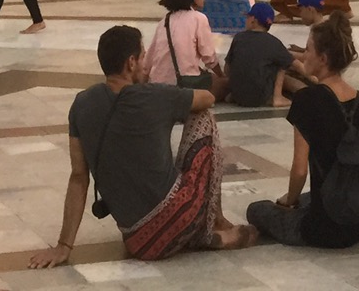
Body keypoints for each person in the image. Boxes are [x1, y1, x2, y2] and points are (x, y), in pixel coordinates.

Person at [28, 23, 254, 268]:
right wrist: (173, 106)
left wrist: (64, 245)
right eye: (144, 57)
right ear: (131, 62)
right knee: (202, 116)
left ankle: (197, 235)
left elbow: (78, 177)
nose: (146, 65)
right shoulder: (155, 96)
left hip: (139, 242)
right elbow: (207, 99)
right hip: (180, 217)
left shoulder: (81, 103)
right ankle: (213, 222)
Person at [247, 10, 359, 248]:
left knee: (257, 210)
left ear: (323, 59)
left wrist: (288, 202)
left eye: (308, 50)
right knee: (311, 197)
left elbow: (299, 171)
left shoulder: (307, 100)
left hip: (321, 229)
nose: (304, 55)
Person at [221, 3, 307, 108]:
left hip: (237, 95)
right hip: (260, 97)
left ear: (253, 20)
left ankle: (237, 94)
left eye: (247, 17)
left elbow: (227, 69)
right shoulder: (273, 42)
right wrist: (314, 77)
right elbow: (297, 65)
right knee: (282, 64)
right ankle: (278, 98)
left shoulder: (239, 38)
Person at [141, 0, 219, 89]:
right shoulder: (199, 18)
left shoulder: (165, 21)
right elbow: (208, 56)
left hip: (157, 82)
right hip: (184, 84)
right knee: (222, 84)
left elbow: (148, 60)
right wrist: (221, 75)